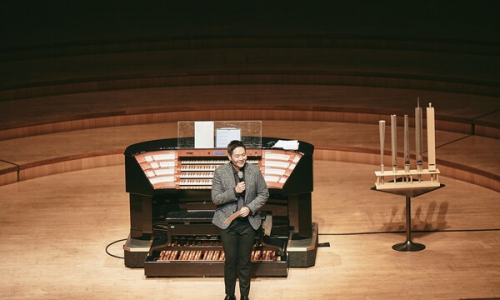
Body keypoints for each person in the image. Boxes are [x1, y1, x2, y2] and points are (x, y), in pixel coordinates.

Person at [211, 140, 269, 300]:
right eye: (237, 156)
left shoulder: (254, 171)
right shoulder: (220, 172)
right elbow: (215, 198)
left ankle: (245, 296)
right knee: (230, 261)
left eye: (243, 154)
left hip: (248, 223)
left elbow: (264, 194)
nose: (241, 158)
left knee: (245, 261)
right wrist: (234, 192)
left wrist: (250, 208)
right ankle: (229, 295)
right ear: (230, 157)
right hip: (228, 222)